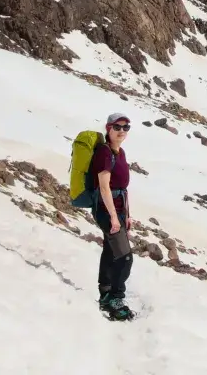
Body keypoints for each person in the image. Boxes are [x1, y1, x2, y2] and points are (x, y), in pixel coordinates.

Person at [91, 112, 137, 320]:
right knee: (124, 257)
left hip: (118, 210)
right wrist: (113, 217)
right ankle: (115, 297)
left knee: (110, 251)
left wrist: (126, 215)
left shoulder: (120, 153)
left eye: (126, 128)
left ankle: (105, 292)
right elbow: (104, 187)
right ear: (108, 128)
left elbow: (123, 188)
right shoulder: (104, 152)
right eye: (117, 127)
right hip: (106, 209)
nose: (121, 131)